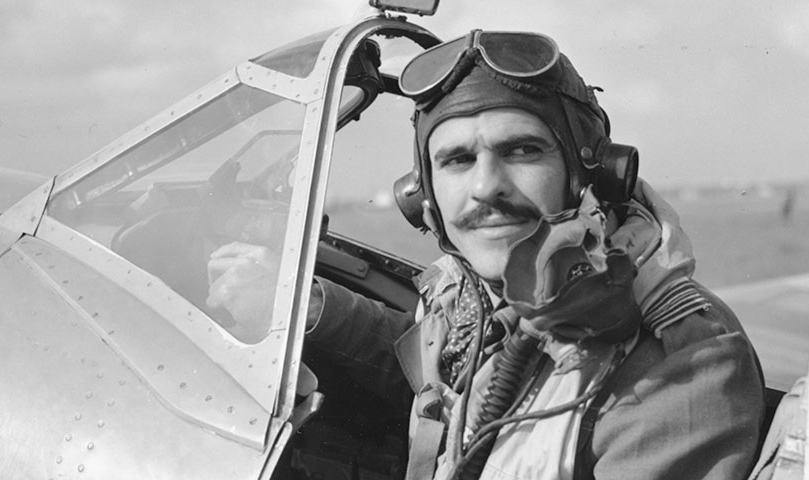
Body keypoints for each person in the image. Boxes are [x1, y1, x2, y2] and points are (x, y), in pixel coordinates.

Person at [208, 29, 764, 480]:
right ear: (423, 197)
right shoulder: (473, 292)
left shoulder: (678, 366)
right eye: (457, 160)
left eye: (522, 150)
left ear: (589, 175)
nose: (485, 187)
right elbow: (445, 380)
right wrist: (312, 309)